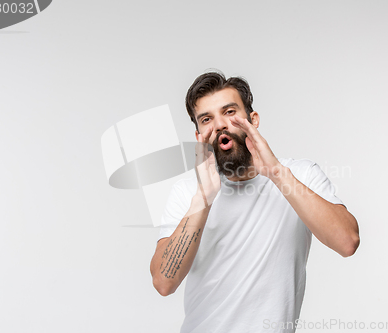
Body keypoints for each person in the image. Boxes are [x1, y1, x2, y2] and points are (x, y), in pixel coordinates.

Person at [150, 71, 360, 333]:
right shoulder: (187, 193)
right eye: (207, 119)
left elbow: (347, 242)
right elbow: (163, 282)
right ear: (199, 135)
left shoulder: (300, 175)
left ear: (253, 119)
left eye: (229, 111)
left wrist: (276, 173)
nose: (219, 125)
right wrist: (203, 198)